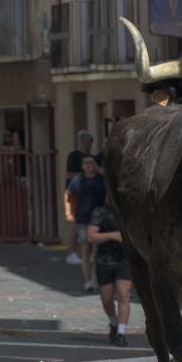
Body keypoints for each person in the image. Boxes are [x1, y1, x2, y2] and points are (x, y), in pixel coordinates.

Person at [86, 202, 133, 347]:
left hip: (125, 260)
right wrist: (113, 235)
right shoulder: (100, 211)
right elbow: (91, 236)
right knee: (106, 299)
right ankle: (113, 322)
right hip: (104, 261)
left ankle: (121, 332)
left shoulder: (129, 210)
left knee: (123, 295)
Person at [66, 153, 110, 290]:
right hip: (83, 219)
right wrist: (68, 213)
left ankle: (95, 276)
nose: (89, 166)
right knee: (85, 250)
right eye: (86, 163)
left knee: (96, 252)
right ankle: (88, 281)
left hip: (99, 220)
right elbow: (68, 194)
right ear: (82, 166)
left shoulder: (101, 179)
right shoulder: (77, 180)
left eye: (91, 163)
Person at [64, 130, 95, 263]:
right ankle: (71, 253)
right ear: (83, 142)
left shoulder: (88, 156)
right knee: (76, 223)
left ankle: (86, 253)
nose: (91, 145)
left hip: (87, 194)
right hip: (75, 193)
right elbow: (69, 174)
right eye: (89, 142)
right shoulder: (74, 155)